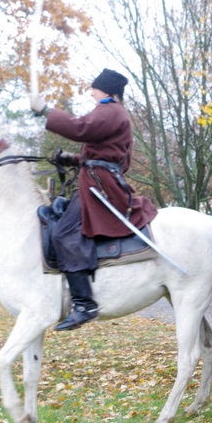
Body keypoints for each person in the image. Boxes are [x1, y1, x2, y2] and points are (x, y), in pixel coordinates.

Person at [30, 68, 158, 331]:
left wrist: (46, 111)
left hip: (99, 187)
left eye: (94, 89)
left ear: (107, 90)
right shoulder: (115, 113)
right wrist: (73, 159)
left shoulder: (110, 110)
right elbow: (104, 153)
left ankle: (84, 304)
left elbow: (81, 128)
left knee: (64, 233)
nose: (91, 94)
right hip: (98, 181)